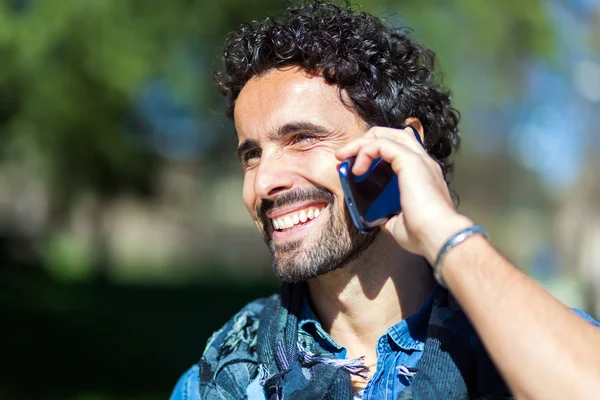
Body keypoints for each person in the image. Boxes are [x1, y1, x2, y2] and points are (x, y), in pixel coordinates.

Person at [170, 1, 600, 399]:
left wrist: (446, 235)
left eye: (302, 139)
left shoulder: (529, 343)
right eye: (252, 155)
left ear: (402, 147)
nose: (264, 181)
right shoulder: (215, 381)